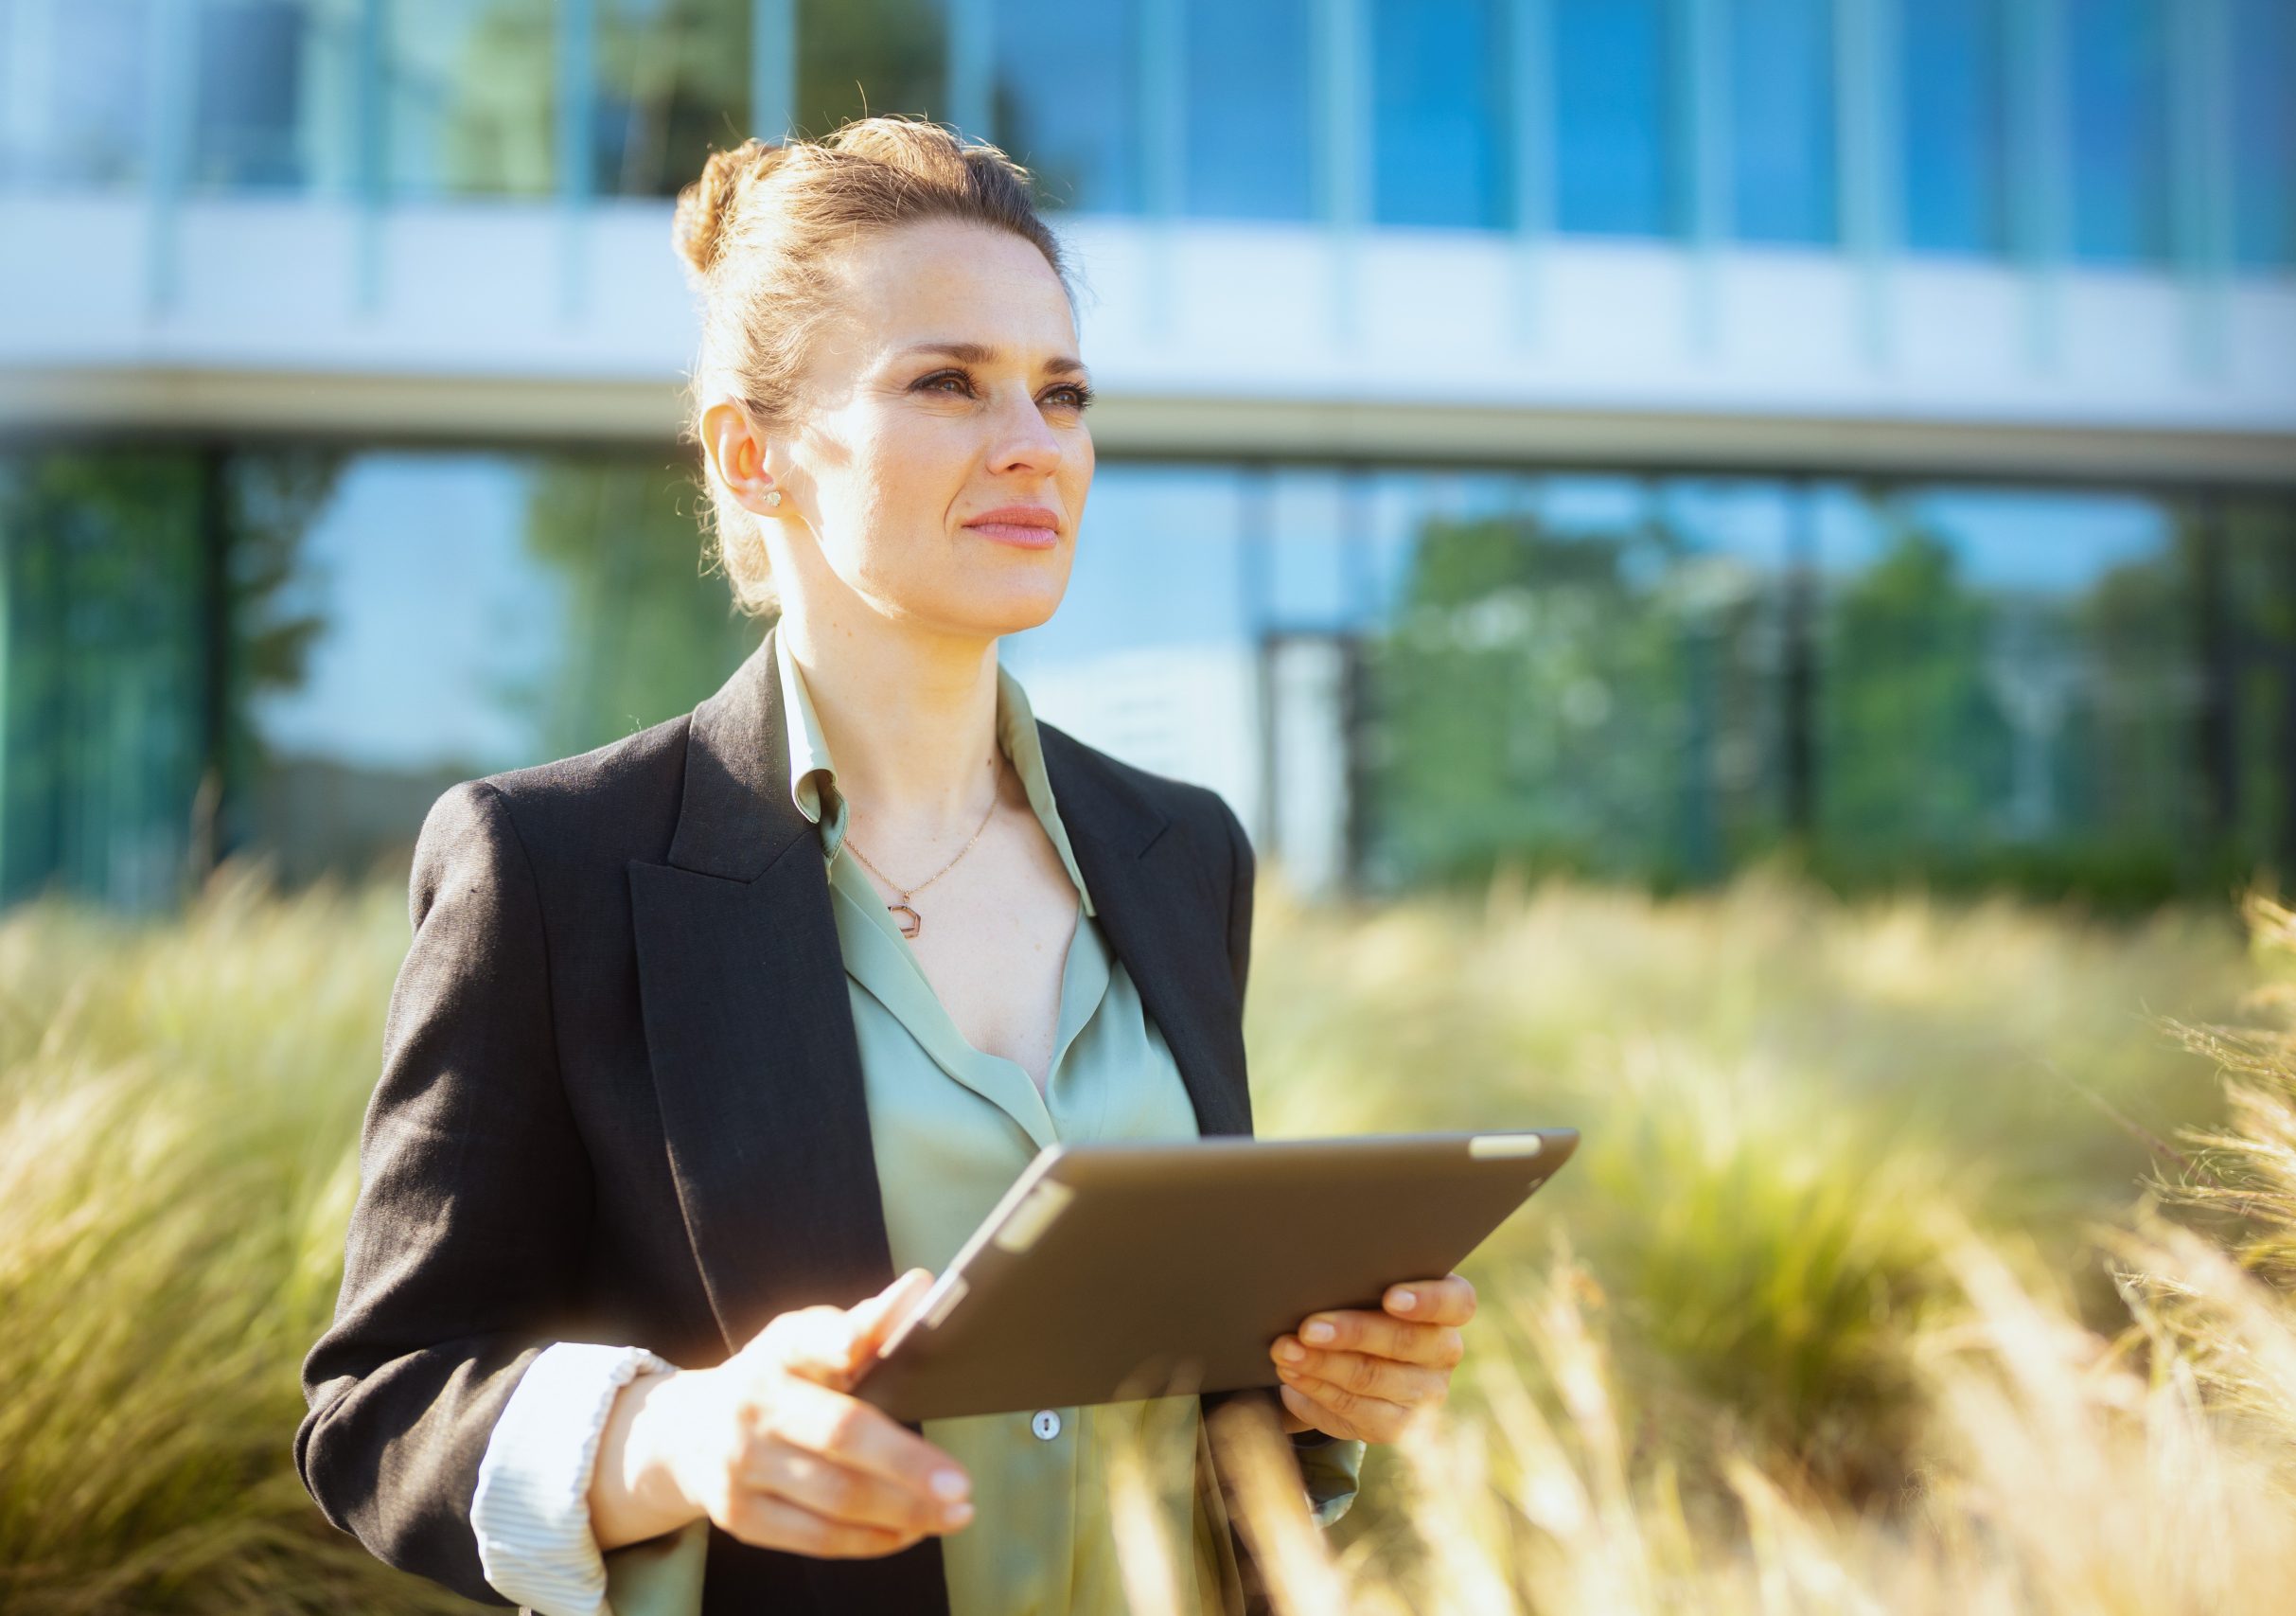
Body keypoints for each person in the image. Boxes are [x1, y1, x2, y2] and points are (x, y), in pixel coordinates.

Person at [293, 115, 1478, 1616]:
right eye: (947, 382)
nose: (1033, 442)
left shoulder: (1182, 854)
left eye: (1063, 393)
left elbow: (1180, 1381)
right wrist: (670, 1438)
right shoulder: (552, 865)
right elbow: (380, 1408)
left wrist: (1315, 1395)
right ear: (754, 451)